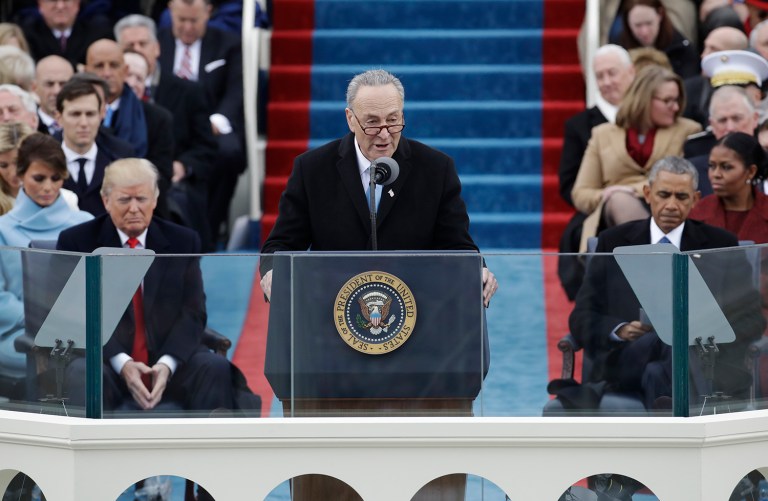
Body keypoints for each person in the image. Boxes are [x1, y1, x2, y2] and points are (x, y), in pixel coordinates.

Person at [259, 69, 499, 306]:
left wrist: (478, 270)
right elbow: (280, 246)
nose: (385, 135)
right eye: (372, 123)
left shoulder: (436, 169)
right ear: (351, 119)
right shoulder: (312, 169)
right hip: (331, 310)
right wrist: (273, 272)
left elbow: (458, 246)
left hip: (417, 310)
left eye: (393, 121)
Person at [569, 156, 765, 409]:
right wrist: (621, 329)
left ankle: (666, 411)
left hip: (704, 361)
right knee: (668, 336)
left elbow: (752, 319)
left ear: (695, 200)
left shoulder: (721, 245)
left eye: (681, 197)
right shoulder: (613, 242)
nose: (671, 205)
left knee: (665, 358)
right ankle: (685, 407)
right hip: (628, 359)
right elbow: (581, 317)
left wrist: (705, 333)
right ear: (648, 194)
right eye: (664, 195)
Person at [56, 158, 234, 412]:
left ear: (155, 199)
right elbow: (76, 315)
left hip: (165, 357)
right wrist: (123, 362)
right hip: (106, 360)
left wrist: (167, 364)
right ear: (106, 201)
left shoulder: (183, 241)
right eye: (124, 200)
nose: (134, 208)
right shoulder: (77, 242)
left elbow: (193, 312)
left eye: (141, 199)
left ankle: (210, 451)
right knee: (84, 373)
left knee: (215, 368)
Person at [114, 14, 219, 251]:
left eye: (143, 44)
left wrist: (182, 166)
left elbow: (207, 148)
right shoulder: (107, 100)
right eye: (130, 46)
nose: (137, 50)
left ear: (157, 47)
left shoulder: (189, 91)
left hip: (174, 185)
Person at [571, 65, 701, 252]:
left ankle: (649, 261)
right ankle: (651, 258)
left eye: (677, 100)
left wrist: (629, 189)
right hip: (611, 215)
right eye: (668, 101)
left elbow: (687, 182)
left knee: (623, 198)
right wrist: (607, 194)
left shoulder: (688, 130)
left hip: (667, 206)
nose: (676, 107)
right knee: (619, 201)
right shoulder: (602, 134)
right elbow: (581, 193)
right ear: (645, 99)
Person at [0, 132, 92, 380]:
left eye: (56, 178)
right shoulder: (2, 229)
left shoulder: (87, 223)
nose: (48, 187)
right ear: (19, 176)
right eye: (39, 178)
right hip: (21, 335)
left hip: (84, 333)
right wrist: (40, 321)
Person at [158, 0, 246, 245]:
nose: (187, 27)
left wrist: (216, 121)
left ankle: (210, 224)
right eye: (181, 20)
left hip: (211, 124)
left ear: (208, 13)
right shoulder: (157, 42)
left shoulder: (228, 43)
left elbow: (236, 90)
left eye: (193, 20)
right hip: (166, 124)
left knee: (230, 154)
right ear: (170, 13)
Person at [557, 44, 636, 300]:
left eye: (612, 73)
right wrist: (606, 198)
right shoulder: (579, 125)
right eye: (599, 76)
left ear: (631, 72)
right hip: (596, 210)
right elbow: (568, 185)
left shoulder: (653, 115)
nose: (606, 82)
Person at [84, 38, 174, 218]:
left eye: (114, 65)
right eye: (99, 66)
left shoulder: (157, 118)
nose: (107, 73)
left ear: (125, 70)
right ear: (87, 71)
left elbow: (161, 177)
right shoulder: (76, 117)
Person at [55, 78, 123, 216]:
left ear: (102, 114)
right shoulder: (43, 158)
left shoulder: (121, 156)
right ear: (59, 117)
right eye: (75, 114)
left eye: (90, 114)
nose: (84, 123)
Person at [689, 131, 768, 242]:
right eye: (711, 166)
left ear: (751, 171)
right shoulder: (696, 213)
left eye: (726, 167)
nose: (716, 174)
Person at [685, 85, 760, 195]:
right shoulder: (693, 172)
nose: (730, 128)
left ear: (755, 119)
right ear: (712, 125)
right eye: (722, 120)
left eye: (737, 118)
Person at [611, 0, 699, 79]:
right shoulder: (619, 50)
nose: (644, 32)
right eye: (638, 25)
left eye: (649, 23)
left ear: (660, 15)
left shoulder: (681, 50)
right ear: (627, 22)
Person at [683, 27, 749, 128]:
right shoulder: (689, 89)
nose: (703, 55)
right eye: (705, 47)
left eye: (713, 49)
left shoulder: (749, 90)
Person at [19, 0, 113, 68]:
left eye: (67, 0)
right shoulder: (26, 34)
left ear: (77, 4)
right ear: (40, 5)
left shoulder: (97, 33)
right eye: (53, 0)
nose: (60, 6)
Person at [32, 54, 72, 135]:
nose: (56, 91)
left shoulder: (85, 127)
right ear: (34, 87)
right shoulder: (28, 127)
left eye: (63, 84)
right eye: (49, 84)